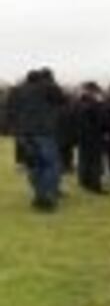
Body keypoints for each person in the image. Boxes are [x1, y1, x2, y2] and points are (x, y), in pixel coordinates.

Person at [7, 68, 68, 211]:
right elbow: (63, 101)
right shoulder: (47, 87)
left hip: (23, 134)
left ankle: (38, 196)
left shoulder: (16, 90)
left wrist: (15, 130)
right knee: (51, 165)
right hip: (44, 132)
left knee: (34, 165)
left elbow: (9, 111)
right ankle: (47, 198)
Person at [75, 82, 108, 194]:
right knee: (95, 162)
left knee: (84, 159)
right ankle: (95, 185)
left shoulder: (79, 103)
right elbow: (101, 120)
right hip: (94, 135)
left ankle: (85, 181)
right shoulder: (95, 104)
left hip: (82, 135)